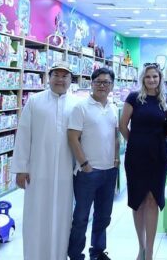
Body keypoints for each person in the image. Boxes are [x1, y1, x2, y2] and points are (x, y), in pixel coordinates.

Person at [12, 61, 78, 260]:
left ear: (70, 80)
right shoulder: (35, 101)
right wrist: (21, 168)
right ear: (49, 78)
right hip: (38, 171)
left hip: (66, 172)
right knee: (36, 215)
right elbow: (24, 135)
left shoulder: (77, 104)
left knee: (62, 217)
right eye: (56, 75)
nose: (60, 79)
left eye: (64, 76)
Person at [120, 63, 167, 260]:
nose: (152, 80)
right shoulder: (134, 98)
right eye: (148, 77)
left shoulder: (166, 99)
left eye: (155, 77)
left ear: (160, 79)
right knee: (138, 201)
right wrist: (135, 142)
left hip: (158, 156)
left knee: (152, 200)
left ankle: (149, 251)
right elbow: (122, 125)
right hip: (136, 156)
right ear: (143, 78)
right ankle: (141, 248)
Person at [67, 67, 120, 260]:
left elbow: (115, 136)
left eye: (106, 82)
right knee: (81, 217)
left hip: (109, 171)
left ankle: (97, 252)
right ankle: (75, 254)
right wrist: (84, 164)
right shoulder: (81, 107)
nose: (102, 85)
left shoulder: (113, 108)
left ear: (112, 86)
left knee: (103, 216)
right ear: (92, 84)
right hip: (87, 172)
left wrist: (116, 159)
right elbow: (73, 137)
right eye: (98, 82)